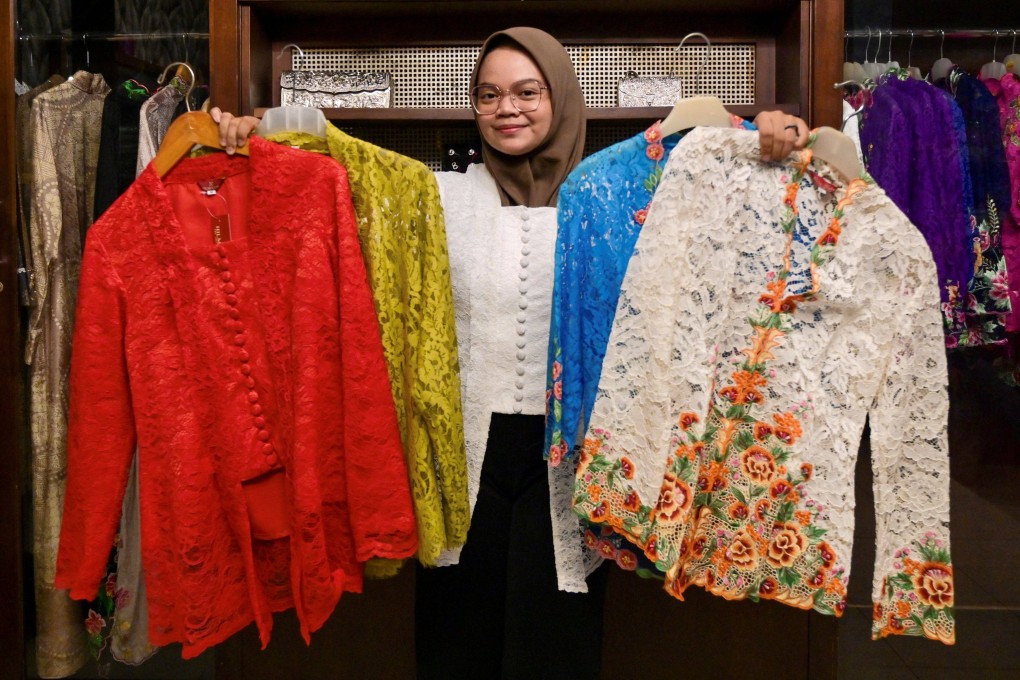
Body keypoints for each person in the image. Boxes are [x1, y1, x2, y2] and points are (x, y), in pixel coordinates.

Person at [212, 26, 809, 679]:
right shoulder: (439, 197)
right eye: (489, 95)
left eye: (528, 92)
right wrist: (263, 131)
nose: (507, 109)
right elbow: (348, 170)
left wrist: (765, 132)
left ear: (560, 98)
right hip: (467, 465)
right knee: (454, 645)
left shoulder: (614, 199)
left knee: (556, 646)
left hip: (570, 467)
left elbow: (707, 170)